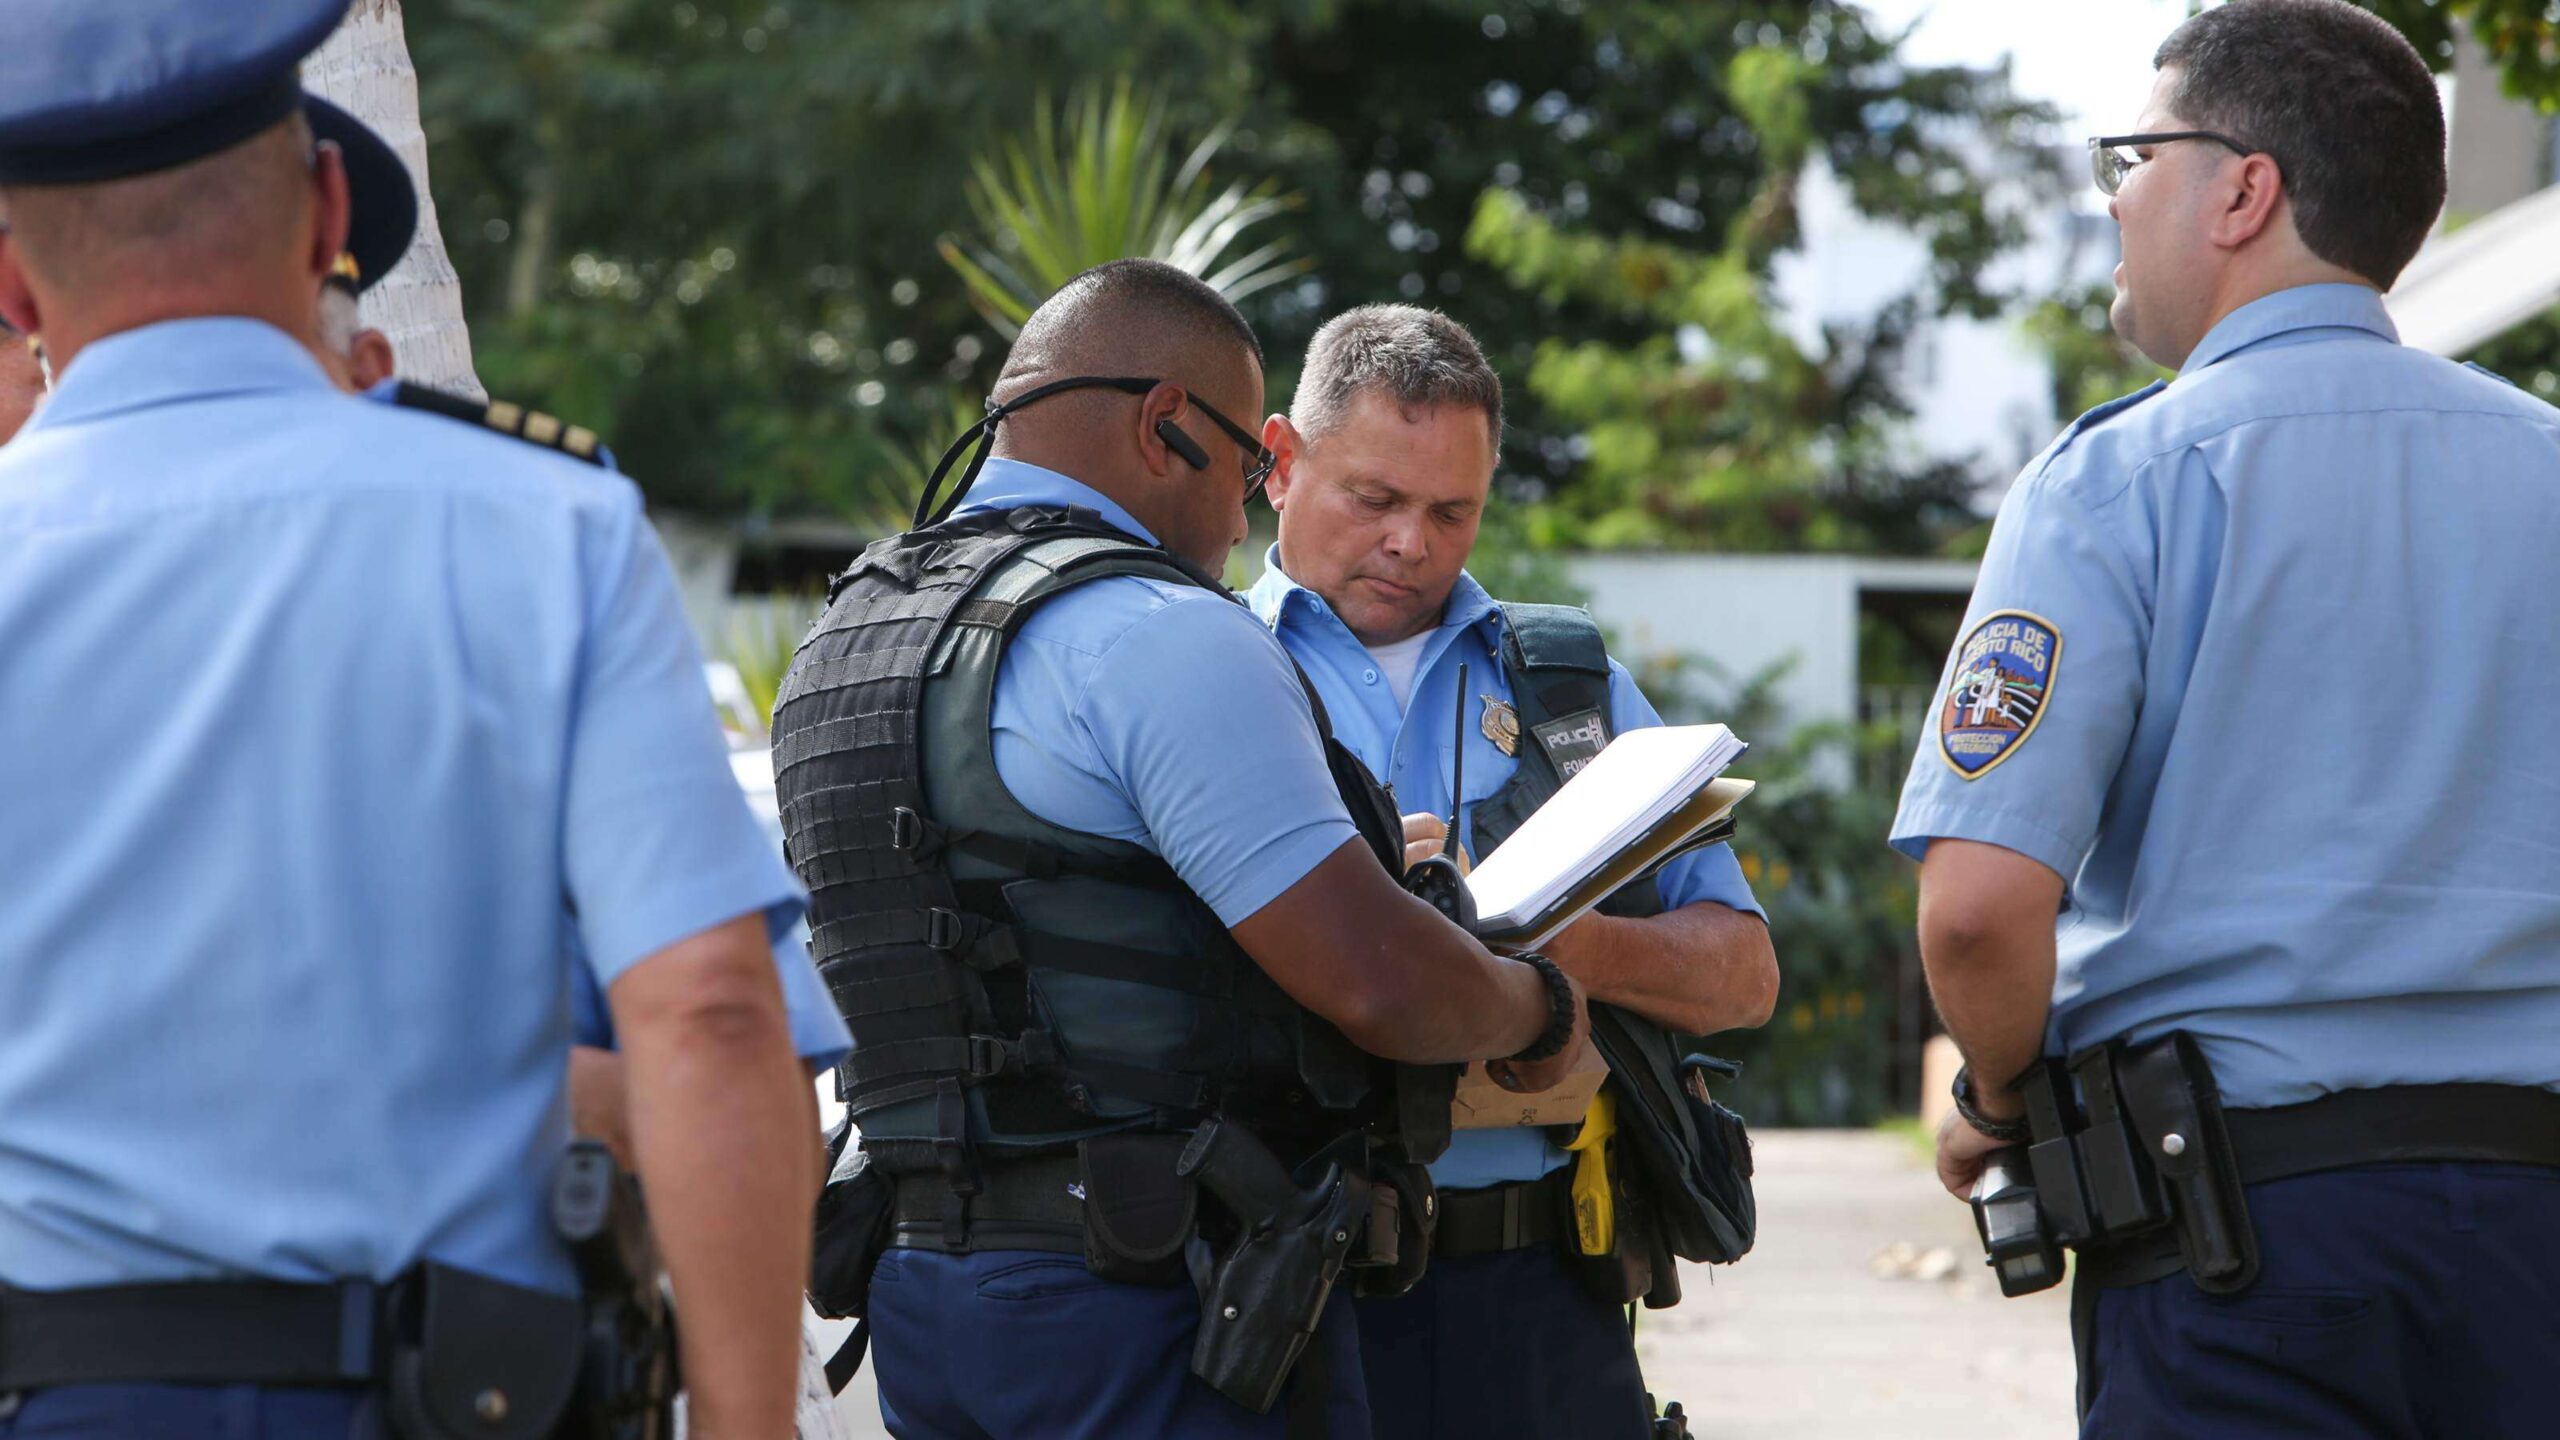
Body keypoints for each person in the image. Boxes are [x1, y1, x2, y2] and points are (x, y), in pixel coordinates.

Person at [0, 5, 840, 1438]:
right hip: (458, 1392)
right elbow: (705, 1011)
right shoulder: (547, 529)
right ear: (330, 202)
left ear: (14, 290)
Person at [774, 259, 1594, 1439]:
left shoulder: (844, 641)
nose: (1247, 512)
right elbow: (1375, 978)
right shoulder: (1160, 634)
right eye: (1254, 469)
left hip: (918, 1299)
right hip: (1147, 1301)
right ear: (1167, 427)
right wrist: (1539, 1009)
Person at [1889, 2, 2560, 1435]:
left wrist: (2003, 1103)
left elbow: (1974, 914)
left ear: (2244, 189)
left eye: (2135, 153)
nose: (2115, 194)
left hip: (2243, 1251)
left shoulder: (2113, 485)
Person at [1247, 304, 1777, 1439]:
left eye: (1453, 512)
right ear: (1279, 462)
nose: (1412, 544)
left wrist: (1543, 938)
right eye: (1375, 500)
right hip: (1275, 1285)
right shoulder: (1199, 667)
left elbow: (1742, 976)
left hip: (1537, 1285)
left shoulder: (1568, 690)